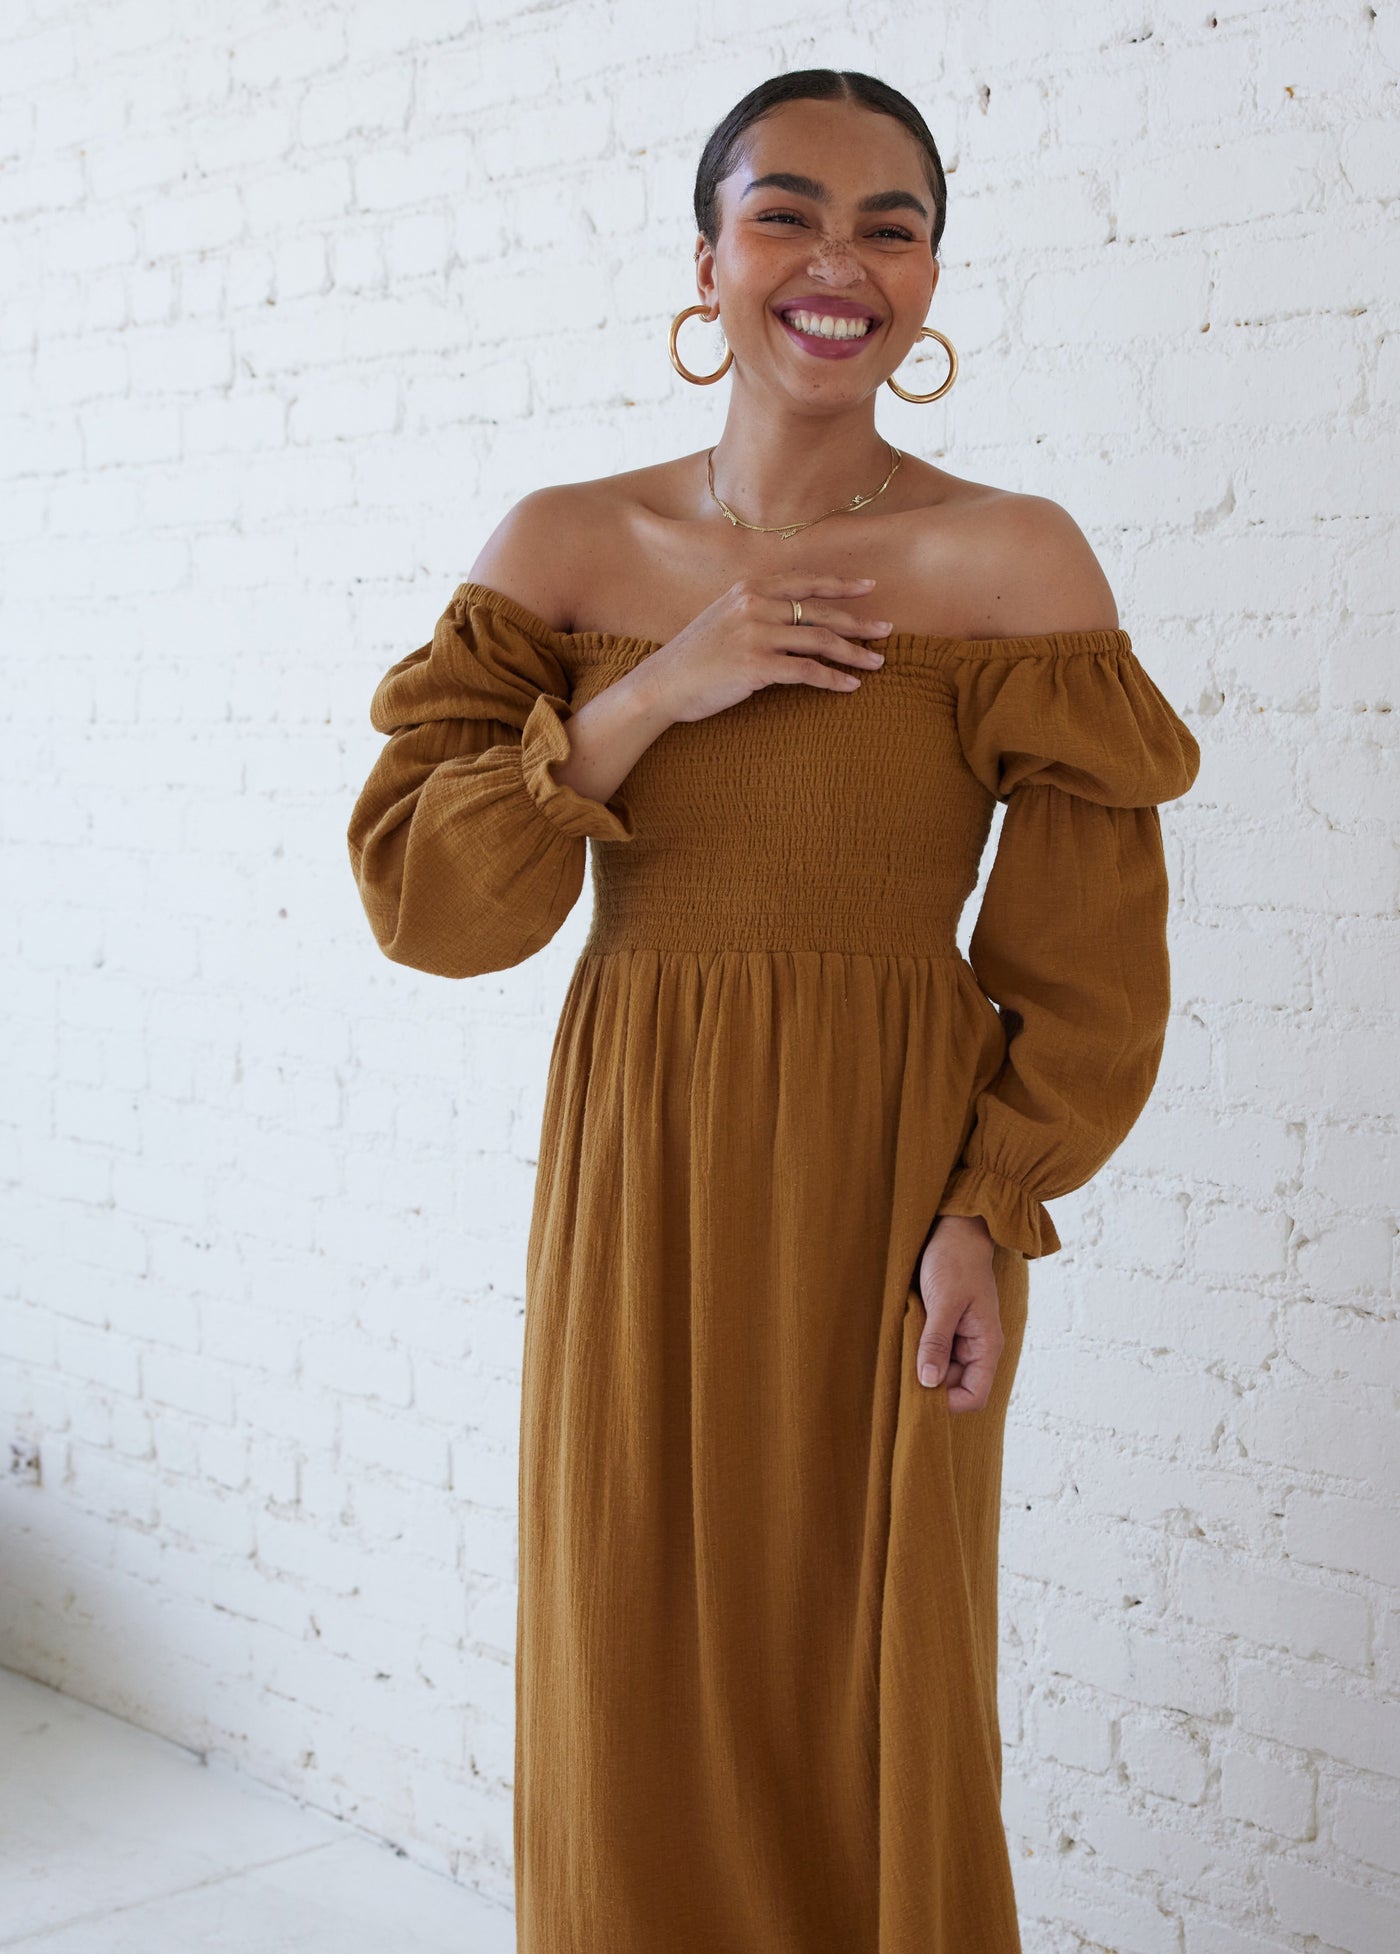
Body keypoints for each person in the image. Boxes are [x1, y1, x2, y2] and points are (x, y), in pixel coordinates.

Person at [346, 67, 1200, 1954]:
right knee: (630, 1647)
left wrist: (992, 1215)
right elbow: (432, 901)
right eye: (787, 213)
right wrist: (661, 687)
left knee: (874, 1676)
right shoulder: (565, 550)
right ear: (708, 259)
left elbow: (1088, 961)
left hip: (893, 1187)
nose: (840, 261)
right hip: (641, 1168)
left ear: (933, 279)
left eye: (893, 225)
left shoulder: (1014, 561)